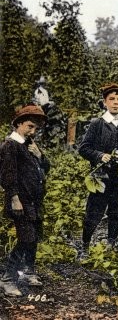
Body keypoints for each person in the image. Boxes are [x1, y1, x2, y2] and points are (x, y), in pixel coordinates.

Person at [79, 83, 118, 251]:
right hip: (100, 177)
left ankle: (110, 244)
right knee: (94, 212)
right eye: (111, 99)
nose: (115, 102)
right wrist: (99, 155)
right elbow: (84, 148)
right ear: (105, 102)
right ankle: (84, 246)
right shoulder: (97, 124)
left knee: (116, 211)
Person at [0, 104, 49, 297]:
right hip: (21, 201)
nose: (33, 131)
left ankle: (28, 271)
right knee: (26, 238)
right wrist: (14, 198)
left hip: (34, 201)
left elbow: (45, 167)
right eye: (29, 126)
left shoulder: (28, 145)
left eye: (36, 128)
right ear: (18, 124)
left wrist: (39, 155)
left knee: (34, 236)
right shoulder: (10, 145)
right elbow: (6, 175)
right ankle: (7, 278)